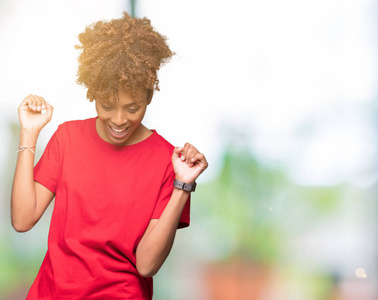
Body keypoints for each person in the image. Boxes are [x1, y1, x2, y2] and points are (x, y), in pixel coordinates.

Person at [11, 12, 208, 300]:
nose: (118, 120)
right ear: (92, 93)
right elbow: (23, 219)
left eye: (132, 108)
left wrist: (183, 185)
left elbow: (147, 265)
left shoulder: (169, 162)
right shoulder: (67, 138)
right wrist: (29, 133)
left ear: (150, 96)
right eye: (107, 105)